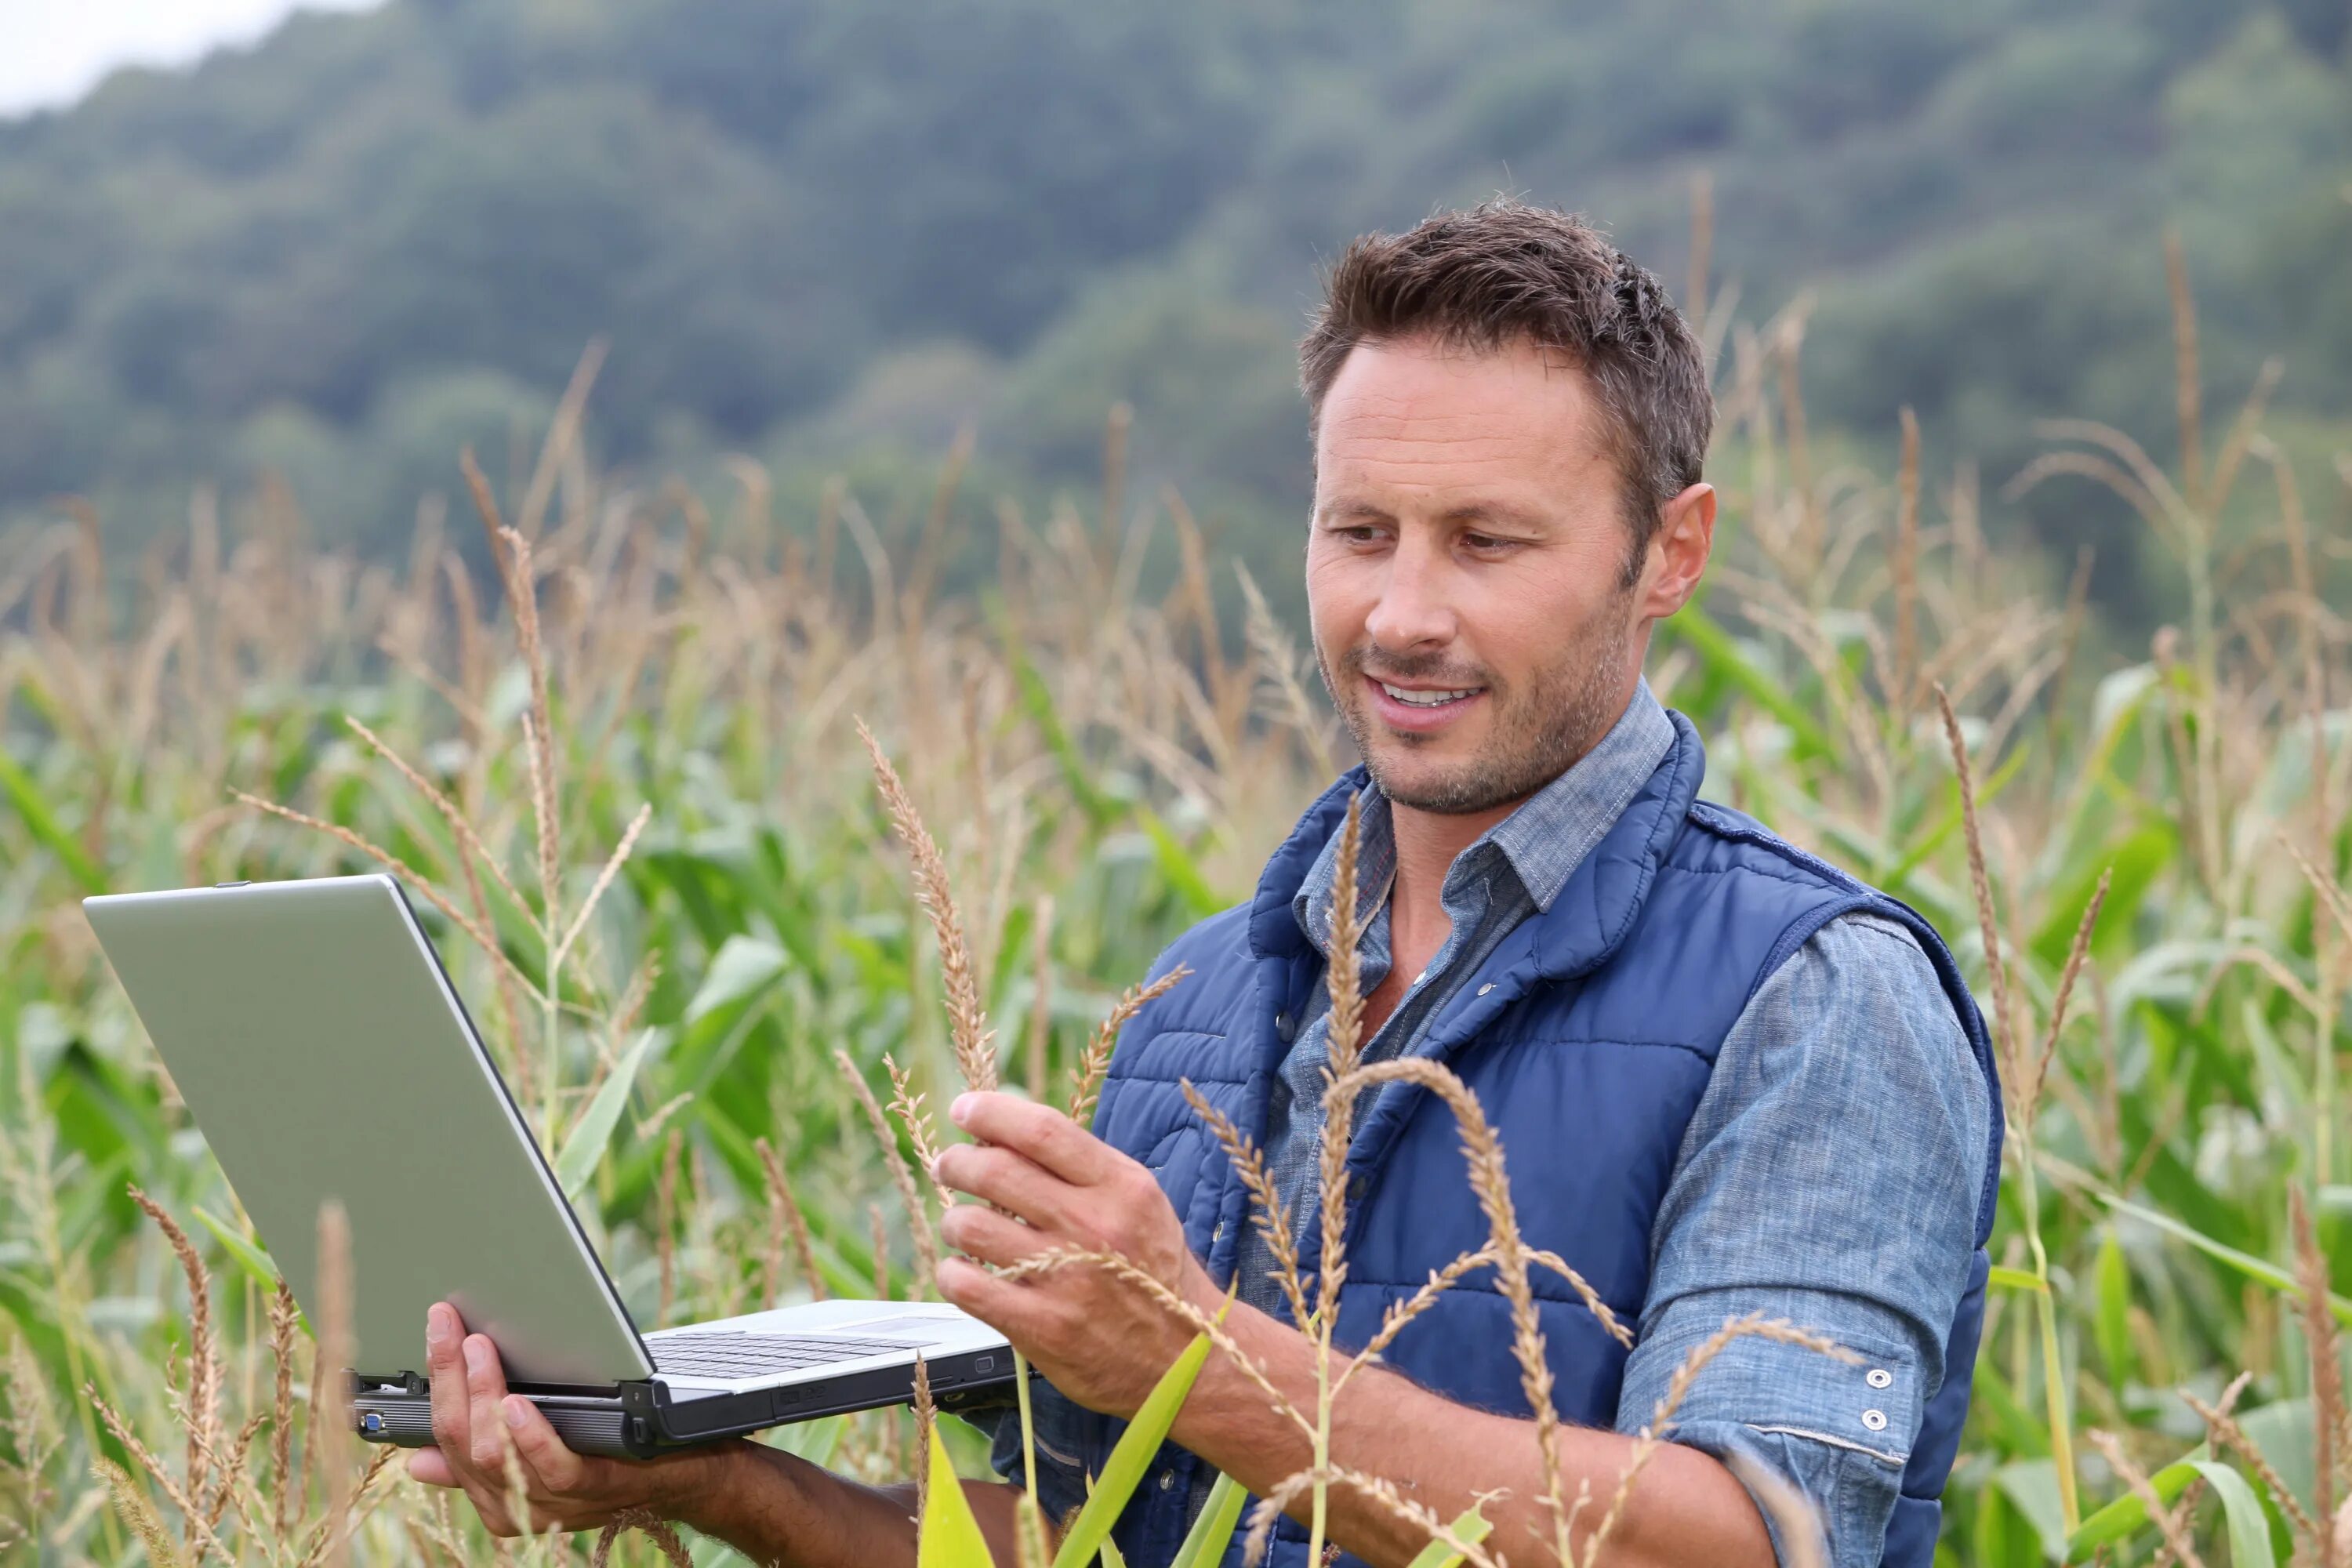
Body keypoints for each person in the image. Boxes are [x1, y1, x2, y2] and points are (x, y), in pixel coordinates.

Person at [409, 201, 1998, 1568]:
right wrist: (716, 1482)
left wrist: (1196, 1354)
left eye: (1488, 542)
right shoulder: (1209, 996)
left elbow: (1748, 1538)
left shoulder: (1815, 997)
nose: (1402, 612)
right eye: (1358, 530)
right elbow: (1085, 1536)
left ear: (1670, 552)